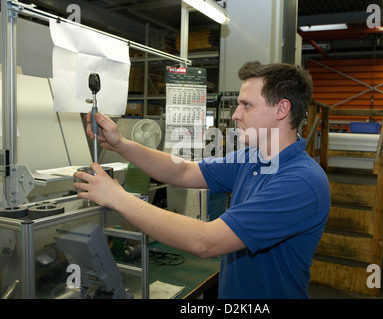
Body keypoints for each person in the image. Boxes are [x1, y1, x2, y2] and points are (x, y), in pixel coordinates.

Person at [73, 61, 330, 299]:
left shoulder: (301, 182)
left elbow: (205, 241)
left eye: (247, 105)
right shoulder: (252, 158)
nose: (235, 115)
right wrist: (120, 144)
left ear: (282, 109)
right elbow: (182, 171)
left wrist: (118, 198)